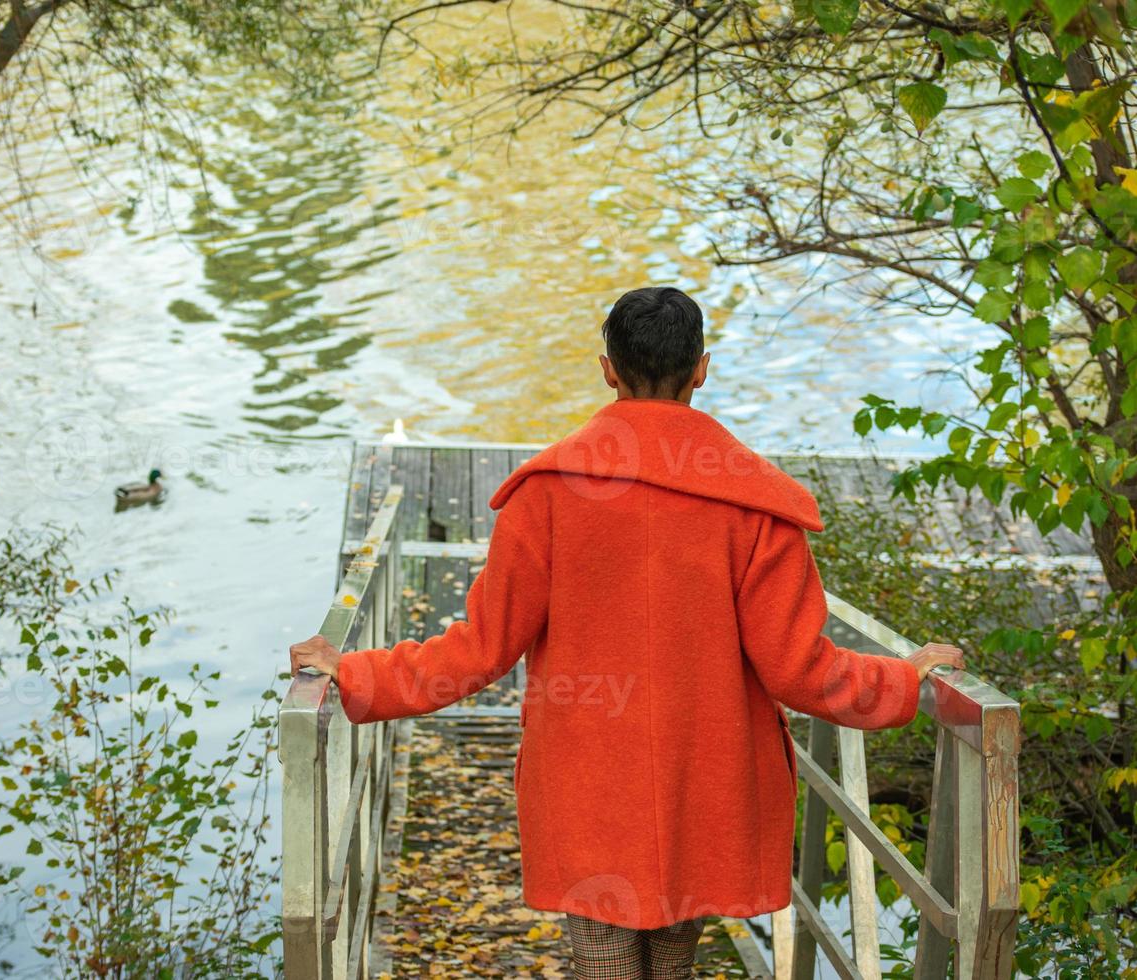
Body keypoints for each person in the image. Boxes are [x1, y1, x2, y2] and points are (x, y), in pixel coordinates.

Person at [289, 286, 964, 980]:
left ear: (608, 368)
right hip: (706, 779)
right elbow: (801, 670)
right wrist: (901, 679)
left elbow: (480, 649)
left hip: (587, 779)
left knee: (603, 961)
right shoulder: (756, 506)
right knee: (671, 963)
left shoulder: (548, 493)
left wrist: (358, 671)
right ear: (701, 368)